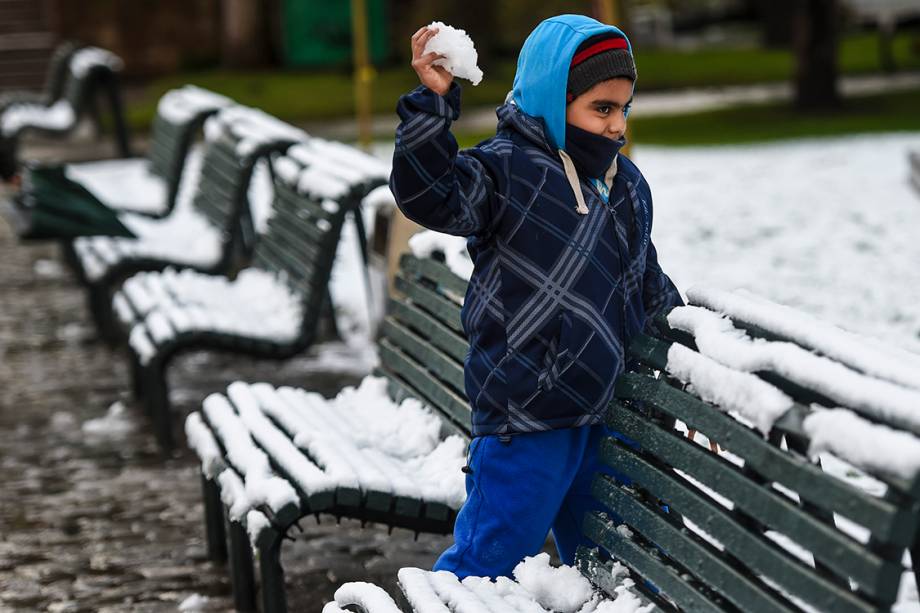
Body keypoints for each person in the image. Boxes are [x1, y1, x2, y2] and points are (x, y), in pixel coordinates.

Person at [390, 14, 683, 579]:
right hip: (526, 417)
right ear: (554, 98)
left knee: (617, 571)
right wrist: (432, 105)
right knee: (489, 561)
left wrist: (687, 354)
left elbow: (645, 284)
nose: (617, 125)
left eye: (625, 109)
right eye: (602, 108)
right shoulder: (502, 173)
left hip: (610, 415)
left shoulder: (626, 186)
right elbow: (428, 194)